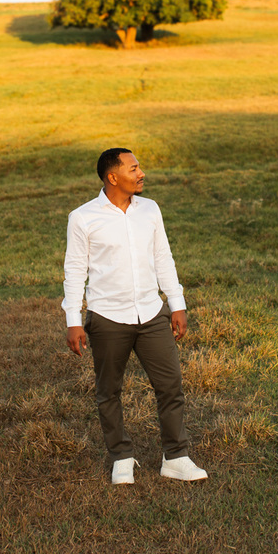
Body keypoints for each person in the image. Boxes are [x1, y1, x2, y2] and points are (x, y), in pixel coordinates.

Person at [63, 148, 208, 484]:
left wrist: (177, 303)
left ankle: (176, 456)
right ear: (113, 177)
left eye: (139, 167)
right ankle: (122, 457)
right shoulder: (83, 217)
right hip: (107, 316)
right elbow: (74, 270)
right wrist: (73, 318)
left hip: (151, 312)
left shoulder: (150, 210)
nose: (141, 173)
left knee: (170, 385)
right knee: (109, 390)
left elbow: (163, 257)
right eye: (134, 168)